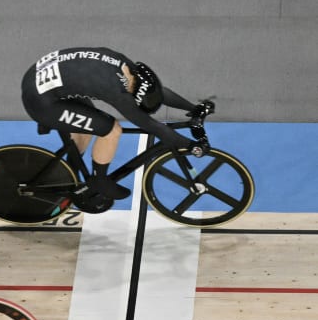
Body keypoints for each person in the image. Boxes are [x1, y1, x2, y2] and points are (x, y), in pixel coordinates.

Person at [21, 47, 214, 208]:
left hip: (43, 82)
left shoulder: (126, 66)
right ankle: (99, 181)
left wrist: (193, 108)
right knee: (110, 129)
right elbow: (150, 125)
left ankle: (70, 174)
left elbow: (158, 92)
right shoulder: (116, 91)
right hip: (43, 101)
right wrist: (191, 145)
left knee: (86, 127)